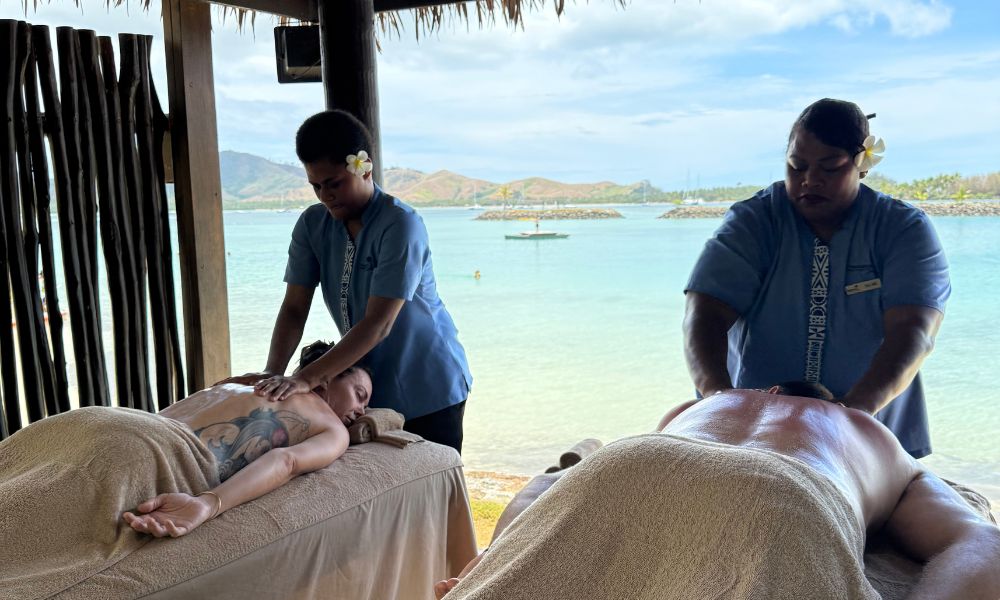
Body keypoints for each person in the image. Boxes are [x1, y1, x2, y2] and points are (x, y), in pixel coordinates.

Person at [434, 387, 1000, 599]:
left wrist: (491, 564)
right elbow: (976, 542)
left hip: (634, 461)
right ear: (838, 410)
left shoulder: (700, 406)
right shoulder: (873, 435)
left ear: (767, 393)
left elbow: (552, 487)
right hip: (786, 492)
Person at [684, 98, 950, 458]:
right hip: (751, 430)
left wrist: (851, 415)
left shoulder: (904, 229)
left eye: (829, 167)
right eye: (797, 166)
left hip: (871, 430)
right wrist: (718, 400)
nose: (810, 180)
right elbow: (705, 313)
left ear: (861, 164)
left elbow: (913, 331)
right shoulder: (754, 221)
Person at [0, 348, 371, 597]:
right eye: (360, 394)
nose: (362, 411)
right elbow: (285, 462)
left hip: (99, 419)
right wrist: (208, 504)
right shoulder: (332, 429)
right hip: (150, 450)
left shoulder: (248, 380)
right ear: (327, 376)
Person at [224, 110, 472, 453]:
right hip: (366, 390)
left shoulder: (400, 224)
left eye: (334, 183)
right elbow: (295, 308)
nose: (325, 195)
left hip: (430, 385)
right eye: (316, 185)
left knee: (433, 489)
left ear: (364, 168)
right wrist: (273, 373)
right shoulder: (313, 225)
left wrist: (307, 379)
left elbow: (379, 323)